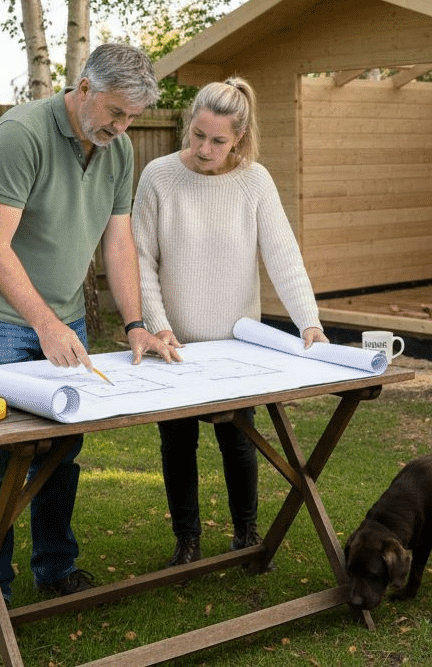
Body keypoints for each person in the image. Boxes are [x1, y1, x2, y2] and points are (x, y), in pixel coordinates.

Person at [0, 43, 180, 610]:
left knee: (60, 449)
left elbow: (118, 241)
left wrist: (135, 324)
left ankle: (55, 567)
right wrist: (46, 324)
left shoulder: (117, 149)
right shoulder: (19, 135)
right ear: (83, 88)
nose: (121, 127)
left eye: (131, 119)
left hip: (62, 315)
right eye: (115, 113)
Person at [132, 77, 328, 568]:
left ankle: (246, 536)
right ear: (188, 124)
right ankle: (187, 543)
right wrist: (156, 325)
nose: (204, 149)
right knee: (177, 444)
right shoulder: (158, 176)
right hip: (174, 344)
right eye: (197, 135)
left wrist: (310, 322)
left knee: (239, 441)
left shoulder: (255, 181)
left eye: (218, 140)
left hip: (237, 348)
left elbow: (283, 255)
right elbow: (141, 260)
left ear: (239, 136)